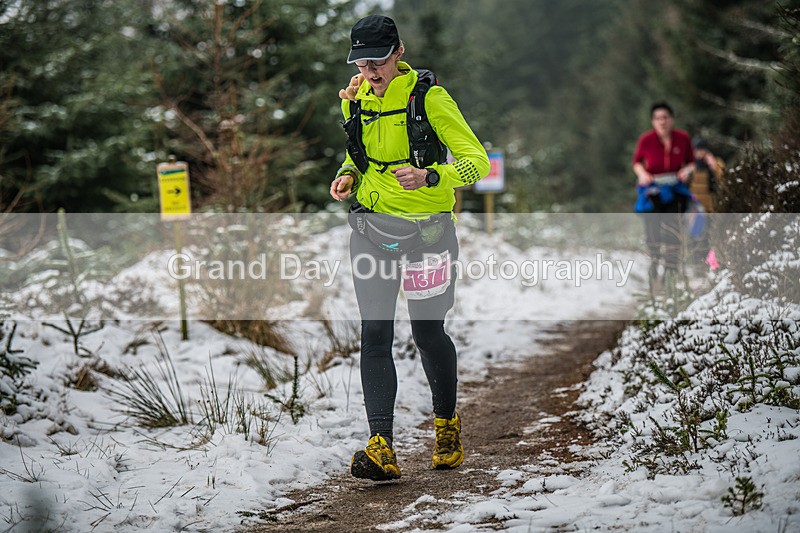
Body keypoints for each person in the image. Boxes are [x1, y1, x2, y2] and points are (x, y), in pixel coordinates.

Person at [329, 14, 489, 481]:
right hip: (372, 232)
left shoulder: (430, 98)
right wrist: (346, 177)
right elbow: (355, 155)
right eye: (361, 63)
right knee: (374, 336)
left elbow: (475, 162)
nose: (370, 71)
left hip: (428, 236)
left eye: (377, 61)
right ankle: (381, 445)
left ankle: (446, 428)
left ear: (398, 53)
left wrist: (431, 176)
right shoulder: (355, 100)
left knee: (426, 332)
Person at [632, 101, 695, 286]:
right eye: (658, 118)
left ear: (672, 119)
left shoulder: (683, 138)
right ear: (653, 121)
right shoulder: (646, 140)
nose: (662, 122)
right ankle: (654, 263)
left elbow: (691, 162)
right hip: (653, 189)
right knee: (652, 230)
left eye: (665, 117)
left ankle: (671, 270)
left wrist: (687, 172)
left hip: (675, 188)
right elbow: (637, 162)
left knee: (673, 229)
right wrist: (643, 174)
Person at [689, 136, 725, 213]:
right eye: (698, 149)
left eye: (702, 149)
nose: (700, 152)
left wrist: (714, 166)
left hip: (712, 206)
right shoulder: (689, 164)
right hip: (695, 207)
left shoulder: (716, 162)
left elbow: (723, 181)